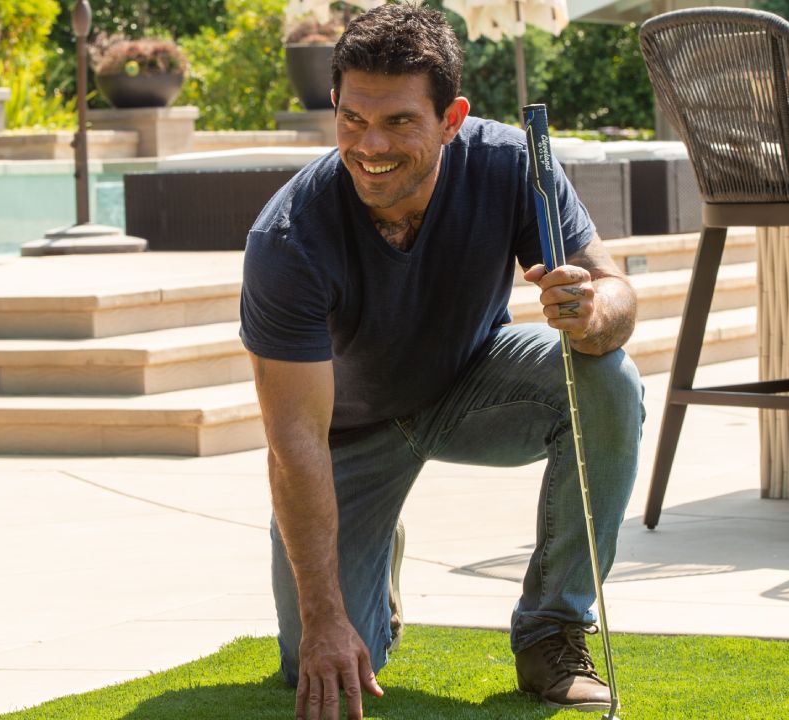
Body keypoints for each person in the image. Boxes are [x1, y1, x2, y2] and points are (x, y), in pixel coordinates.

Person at [239, 4, 644, 719]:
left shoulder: (512, 164)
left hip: (472, 385)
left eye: (399, 122)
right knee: (316, 657)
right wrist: (326, 617)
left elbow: (615, 292)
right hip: (349, 436)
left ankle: (552, 632)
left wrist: (591, 312)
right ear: (333, 102)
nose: (371, 146)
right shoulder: (288, 239)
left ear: (452, 117)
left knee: (607, 377)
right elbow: (293, 441)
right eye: (353, 120)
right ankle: (373, 545)